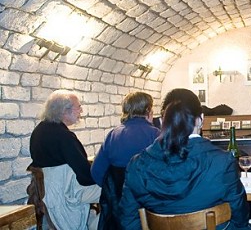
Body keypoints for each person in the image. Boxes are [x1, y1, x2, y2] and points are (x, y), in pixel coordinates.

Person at [119, 90, 251, 230]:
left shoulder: (137, 164)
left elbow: (128, 221)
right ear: (200, 119)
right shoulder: (222, 161)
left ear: (162, 120)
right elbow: (240, 219)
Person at [29, 90, 101, 229]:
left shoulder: (39, 131)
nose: (81, 111)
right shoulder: (64, 136)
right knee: (116, 189)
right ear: (65, 110)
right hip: (67, 194)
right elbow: (86, 177)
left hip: (50, 192)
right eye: (78, 107)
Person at [90, 92, 160, 229]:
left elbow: (96, 173)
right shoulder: (155, 135)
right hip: (147, 209)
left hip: (118, 212)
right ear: (148, 110)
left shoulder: (113, 135)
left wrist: (115, 192)